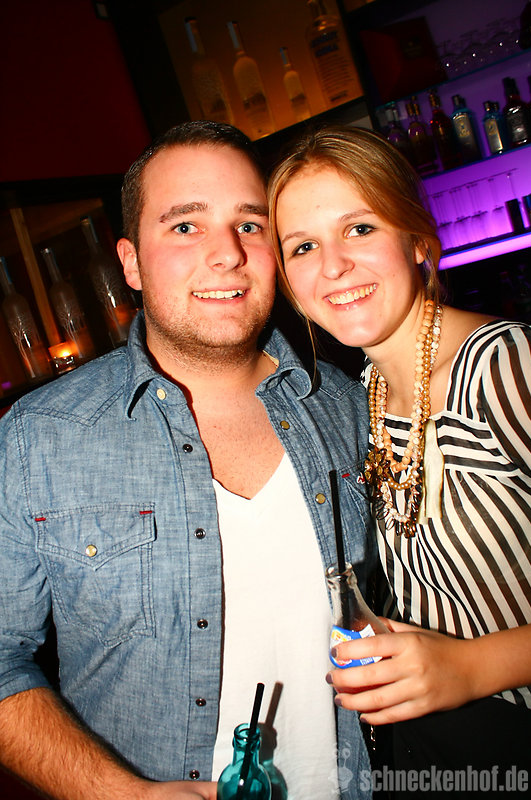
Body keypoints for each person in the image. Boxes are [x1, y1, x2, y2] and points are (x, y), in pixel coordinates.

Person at [0, 121, 374, 800]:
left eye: (249, 225)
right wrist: (123, 795)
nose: (227, 253)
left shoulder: (352, 408)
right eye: (185, 226)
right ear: (131, 263)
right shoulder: (38, 438)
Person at [268, 125, 531, 795]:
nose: (332, 266)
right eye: (303, 246)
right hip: (439, 752)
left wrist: (469, 668)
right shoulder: (366, 393)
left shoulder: (504, 366)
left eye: (358, 229)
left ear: (417, 239)